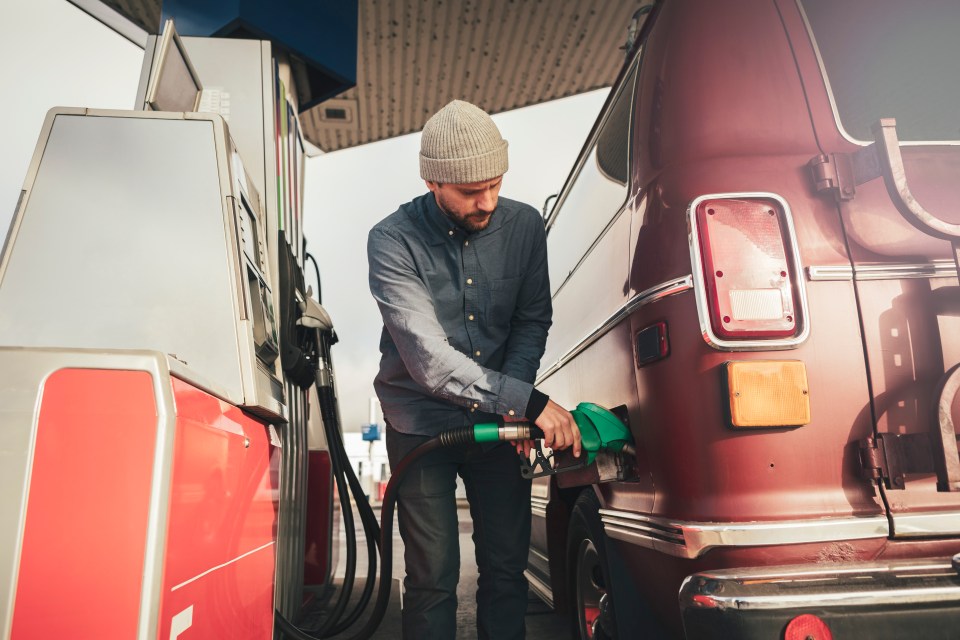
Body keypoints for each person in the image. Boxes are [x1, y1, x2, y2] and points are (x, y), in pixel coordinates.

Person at [367, 99, 581, 639]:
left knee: (507, 569)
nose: (485, 201)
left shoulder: (526, 226)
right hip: (419, 423)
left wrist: (512, 410)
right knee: (433, 577)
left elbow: (532, 322)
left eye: (494, 183)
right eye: (468, 192)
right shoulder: (391, 241)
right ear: (432, 180)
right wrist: (526, 404)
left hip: (499, 430)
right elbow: (428, 360)